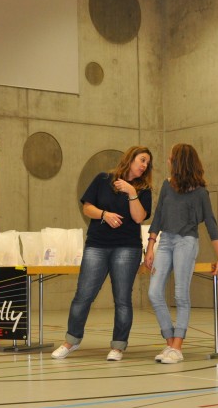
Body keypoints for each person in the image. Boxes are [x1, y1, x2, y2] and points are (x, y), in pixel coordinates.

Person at [52, 146, 153, 362]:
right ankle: (71, 341)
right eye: (142, 160)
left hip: (127, 247)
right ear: (131, 158)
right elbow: (87, 208)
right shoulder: (103, 179)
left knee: (122, 299)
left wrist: (132, 192)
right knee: (83, 295)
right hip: (97, 245)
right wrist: (104, 215)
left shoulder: (143, 189)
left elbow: (139, 218)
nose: (145, 165)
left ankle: (118, 346)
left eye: (147, 163)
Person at [144, 143, 218, 364]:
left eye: (171, 158)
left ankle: (177, 347)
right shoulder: (166, 185)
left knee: (181, 295)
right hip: (165, 241)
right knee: (154, 292)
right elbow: (158, 216)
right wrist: (150, 246)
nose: (168, 161)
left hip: (186, 242)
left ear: (180, 162)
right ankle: (170, 342)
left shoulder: (200, 192)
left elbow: (211, 223)